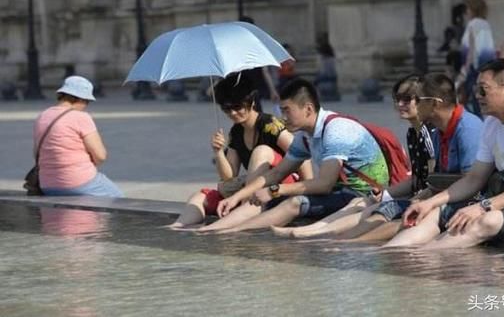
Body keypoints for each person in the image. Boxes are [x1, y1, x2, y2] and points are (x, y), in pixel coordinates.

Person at [384, 59, 504, 248]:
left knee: (487, 221)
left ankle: (423, 259)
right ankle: (390, 255)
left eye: (483, 90)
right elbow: (474, 179)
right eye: (475, 90)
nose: (477, 96)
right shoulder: (491, 123)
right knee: (436, 213)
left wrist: (482, 206)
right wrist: (430, 203)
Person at [273, 73, 483, 242]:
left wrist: (416, 198)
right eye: (397, 99)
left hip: (441, 200)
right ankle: (318, 232)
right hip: (428, 196)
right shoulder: (416, 133)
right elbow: (425, 178)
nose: (401, 104)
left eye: (410, 99)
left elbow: (443, 179)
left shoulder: (438, 131)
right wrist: (387, 194)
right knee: (366, 203)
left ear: (433, 103)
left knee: (381, 210)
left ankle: (337, 239)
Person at [201, 78, 390, 233]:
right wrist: (237, 197)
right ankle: (212, 230)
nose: (283, 117)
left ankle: (232, 233)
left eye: (287, 110)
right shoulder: (304, 136)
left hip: (363, 195)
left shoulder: (336, 131)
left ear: (308, 109)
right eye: (281, 110)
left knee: (294, 202)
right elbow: (276, 174)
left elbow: (325, 184)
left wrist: (275, 190)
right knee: (260, 197)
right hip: (338, 191)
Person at [168, 73, 312, 228]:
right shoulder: (236, 131)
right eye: (226, 109)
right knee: (199, 197)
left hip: (279, 188)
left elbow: (302, 154)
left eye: (237, 107)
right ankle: (176, 227)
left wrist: (307, 190)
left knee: (261, 151)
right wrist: (218, 152)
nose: (232, 113)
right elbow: (229, 176)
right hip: (251, 192)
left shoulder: (270, 124)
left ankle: (236, 213)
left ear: (251, 102)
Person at [34, 76, 123, 197]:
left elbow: (37, 153)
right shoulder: (81, 117)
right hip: (79, 182)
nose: (86, 105)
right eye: (87, 101)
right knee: (118, 198)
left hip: (47, 184)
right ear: (80, 98)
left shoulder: (42, 116)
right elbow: (100, 156)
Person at [458, 0, 495, 116]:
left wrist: (465, 70)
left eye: (468, 8)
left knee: (469, 100)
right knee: (480, 100)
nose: (466, 11)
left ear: (473, 9)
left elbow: (471, 50)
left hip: (473, 69)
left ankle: (475, 123)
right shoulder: (486, 24)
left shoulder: (472, 25)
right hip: (486, 67)